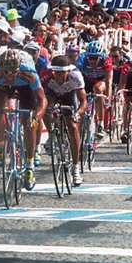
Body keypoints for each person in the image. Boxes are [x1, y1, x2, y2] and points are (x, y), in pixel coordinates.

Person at [0, 50, 48, 191]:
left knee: (28, 122)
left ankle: (29, 166)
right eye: (6, 73)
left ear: (18, 69)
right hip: (3, 87)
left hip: (26, 87)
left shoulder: (28, 71)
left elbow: (42, 99)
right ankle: (1, 148)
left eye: (13, 73)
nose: (9, 76)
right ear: (1, 69)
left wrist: (37, 117)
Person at [39, 55, 87, 185]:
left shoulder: (75, 76)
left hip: (69, 95)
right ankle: (52, 133)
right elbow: (38, 98)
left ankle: (75, 168)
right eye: (56, 73)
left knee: (72, 127)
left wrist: (77, 113)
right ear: (51, 71)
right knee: (46, 107)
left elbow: (83, 101)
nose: (59, 76)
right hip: (51, 94)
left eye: (63, 73)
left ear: (68, 71)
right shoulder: (45, 75)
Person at [75, 41, 113, 139]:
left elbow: (109, 82)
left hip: (102, 80)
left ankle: (100, 125)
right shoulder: (81, 59)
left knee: (97, 89)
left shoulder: (106, 60)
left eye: (95, 58)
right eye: (90, 58)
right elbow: (75, 79)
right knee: (82, 102)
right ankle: (78, 134)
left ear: (100, 56)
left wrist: (108, 101)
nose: (92, 61)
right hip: (87, 80)